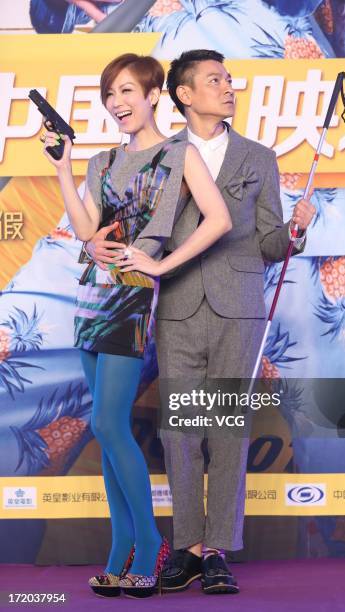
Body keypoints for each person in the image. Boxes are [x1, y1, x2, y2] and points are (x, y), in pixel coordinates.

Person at [84, 49, 315, 595]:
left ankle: (216, 550)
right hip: (177, 305)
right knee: (179, 432)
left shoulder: (258, 157)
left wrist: (296, 233)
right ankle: (184, 548)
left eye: (229, 80)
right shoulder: (163, 153)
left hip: (238, 306)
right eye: (216, 80)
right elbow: (119, 223)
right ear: (183, 94)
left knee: (228, 430)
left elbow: (267, 242)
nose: (228, 88)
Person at [41, 52, 231, 598]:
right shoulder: (101, 161)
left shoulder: (179, 153)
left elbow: (219, 219)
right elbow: (85, 228)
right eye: (110, 95)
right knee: (103, 427)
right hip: (90, 294)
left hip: (130, 297)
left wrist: (161, 265)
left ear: (153, 95)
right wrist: (63, 166)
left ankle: (147, 545)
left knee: (108, 420)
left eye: (127, 91)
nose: (117, 103)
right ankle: (119, 549)